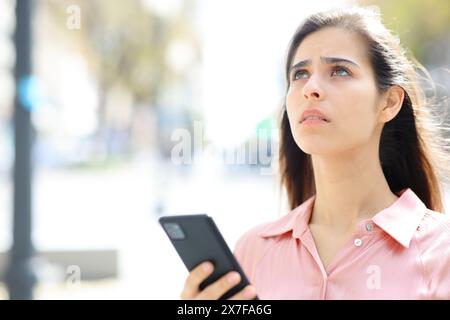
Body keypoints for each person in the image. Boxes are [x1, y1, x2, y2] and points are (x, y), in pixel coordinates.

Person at [180, 6, 450, 300]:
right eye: (300, 74)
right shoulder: (253, 251)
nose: (311, 88)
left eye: (339, 71)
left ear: (389, 102)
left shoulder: (441, 251)